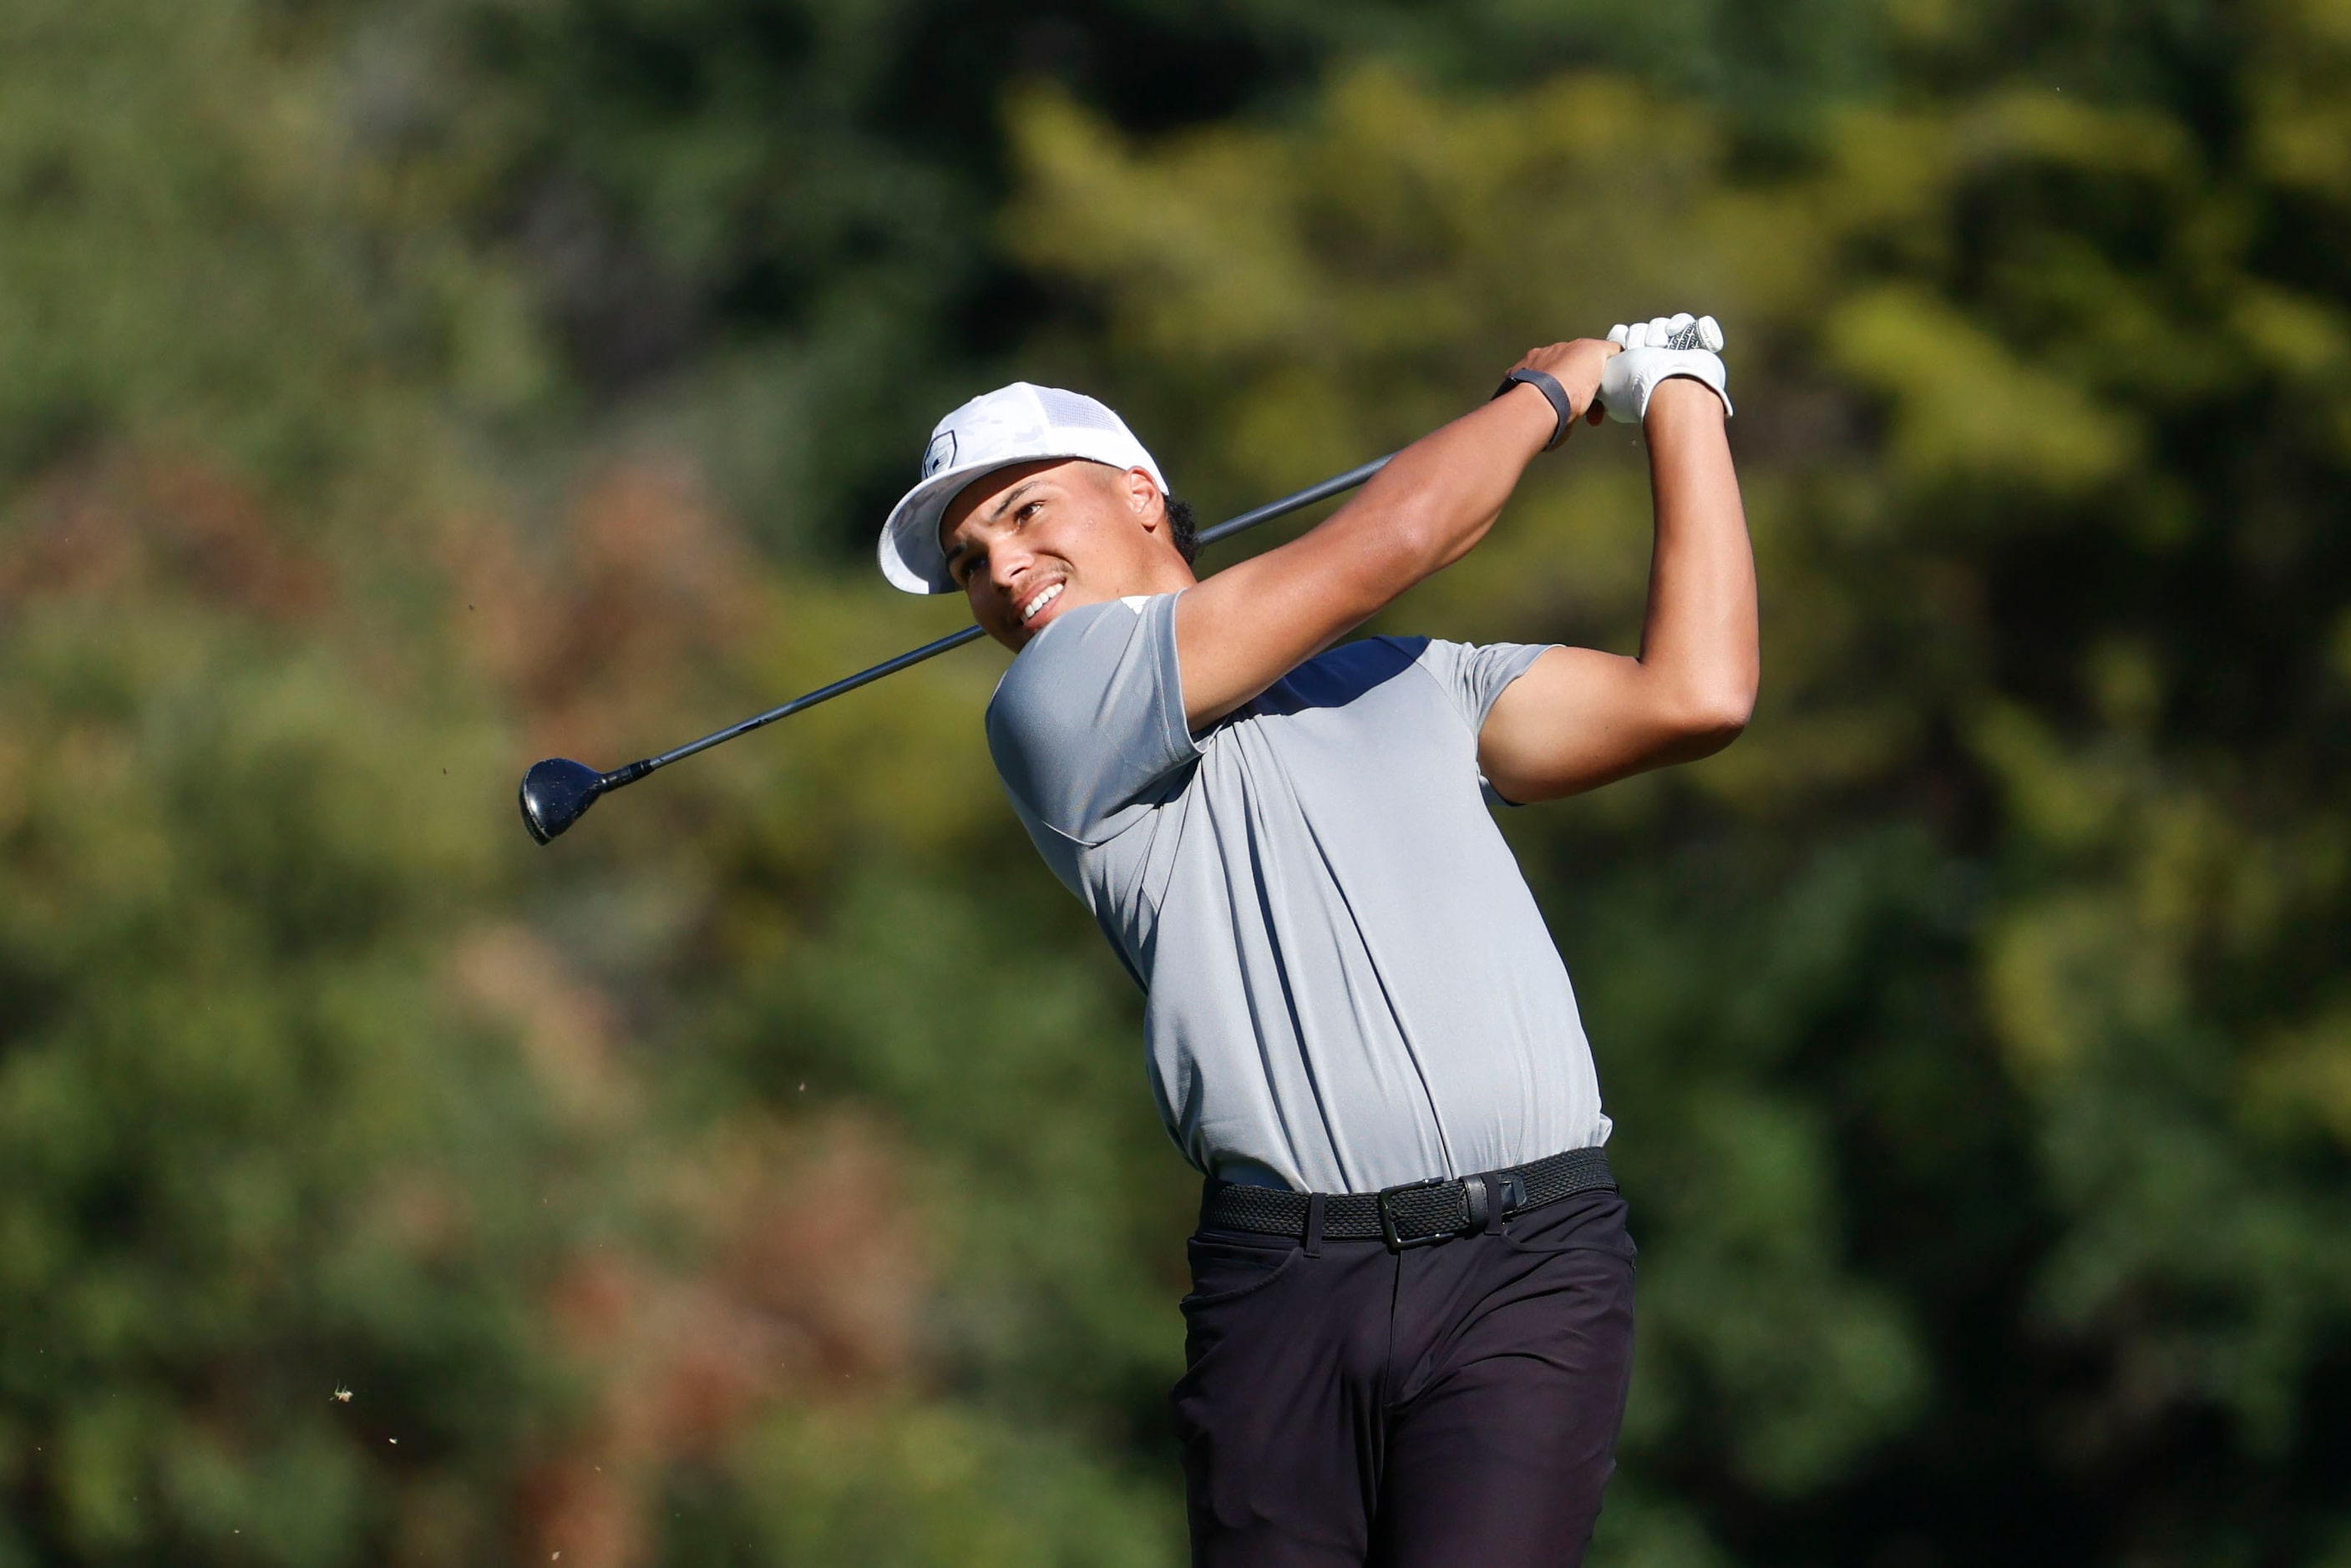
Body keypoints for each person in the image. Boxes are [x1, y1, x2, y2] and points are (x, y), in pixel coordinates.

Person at [874, 316, 1756, 1568]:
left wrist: (1678, 398)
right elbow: (1391, 542)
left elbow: (1696, 694)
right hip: (1287, 1291)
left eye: (1024, 512)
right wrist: (1550, 392)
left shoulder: (1417, 684)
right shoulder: (1053, 709)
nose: (1001, 568)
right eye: (970, 558)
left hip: (1531, 1264)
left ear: (1139, 494)